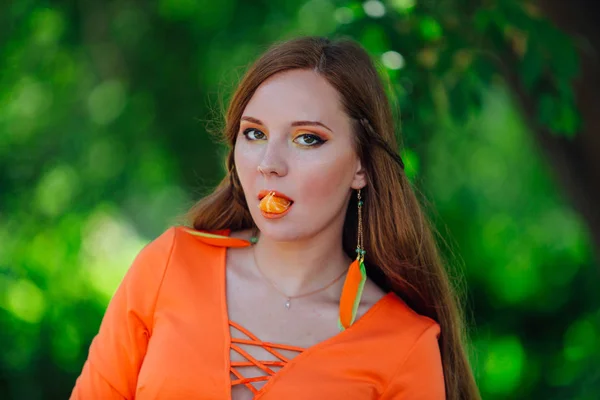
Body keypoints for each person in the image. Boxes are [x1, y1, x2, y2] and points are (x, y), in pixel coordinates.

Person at [70, 36, 480, 399]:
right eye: (255, 134)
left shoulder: (406, 347)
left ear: (361, 167)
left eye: (307, 139)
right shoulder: (168, 266)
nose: (270, 164)